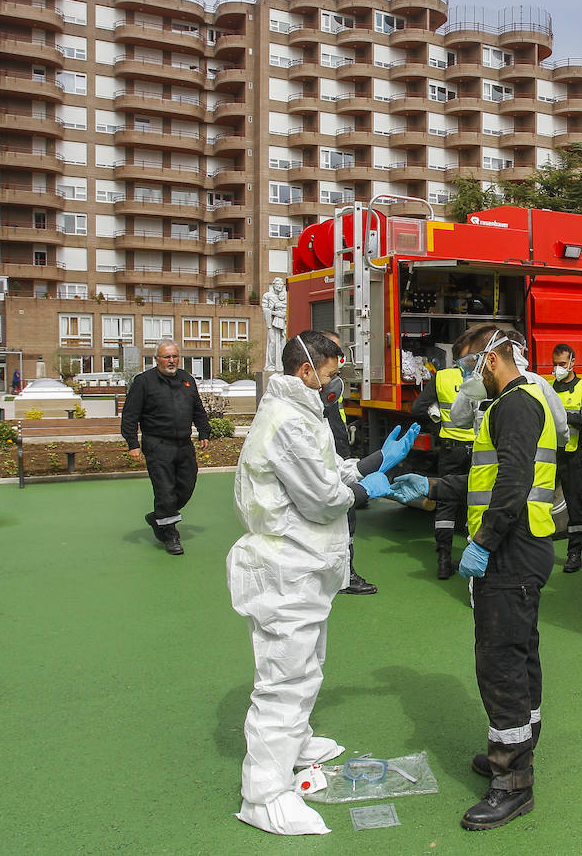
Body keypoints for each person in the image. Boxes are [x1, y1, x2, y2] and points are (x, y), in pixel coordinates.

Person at [227, 329, 416, 836]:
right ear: (307, 370)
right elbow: (323, 498)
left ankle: (297, 740)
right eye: (331, 375)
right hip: (286, 569)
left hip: (302, 570)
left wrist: (375, 463)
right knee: (283, 682)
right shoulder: (289, 420)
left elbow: (330, 472)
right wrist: (364, 491)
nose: (335, 385)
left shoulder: (301, 414)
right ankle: (264, 795)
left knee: (306, 665)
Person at [392, 326, 556, 831]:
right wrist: (434, 484)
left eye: (467, 367)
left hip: (511, 551)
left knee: (501, 663)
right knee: (518, 655)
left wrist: (482, 543)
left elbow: (512, 484)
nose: (465, 377)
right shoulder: (517, 402)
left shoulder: (514, 405)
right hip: (523, 546)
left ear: (490, 360)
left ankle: (512, 783)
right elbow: (488, 477)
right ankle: (518, 749)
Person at [121, 339, 210, 555]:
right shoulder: (144, 382)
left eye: (174, 356)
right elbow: (130, 415)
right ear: (157, 360)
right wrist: (133, 444)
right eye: (166, 357)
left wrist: (204, 431)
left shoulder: (187, 380)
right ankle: (171, 535)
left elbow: (197, 408)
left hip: (184, 445)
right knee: (165, 492)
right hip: (157, 444)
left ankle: (158, 517)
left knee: (186, 486)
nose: (171, 361)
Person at [411, 327, 483, 579]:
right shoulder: (484, 377)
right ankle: (477, 558)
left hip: (451, 451)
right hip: (478, 452)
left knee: (446, 503)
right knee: (478, 501)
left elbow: (418, 408)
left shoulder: (441, 377)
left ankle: (444, 559)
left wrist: (437, 421)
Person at [322, 331, 375, 595]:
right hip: (330, 461)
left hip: (338, 455)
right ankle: (345, 576)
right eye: (335, 351)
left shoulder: (330, 386)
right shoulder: (318, 394)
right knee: (344, 516)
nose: (340, 358)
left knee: (346, 517)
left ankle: (343, 572)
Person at [550, 343, 582, 573]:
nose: (558, 368)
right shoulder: (550, 388)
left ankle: (574, 552)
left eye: (562, 364)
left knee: (575, 506)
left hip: (573, 456)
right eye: (555, 364)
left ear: (572, 363)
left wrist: (563, 415)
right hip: (550, 457)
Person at [261, 277, 287, 372]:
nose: (279, 286)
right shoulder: (267, 295)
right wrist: (274, 313)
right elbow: (265, 309)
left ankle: (281, 364)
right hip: (272, 324)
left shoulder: (285, 296)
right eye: (277, 285)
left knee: (283, 343)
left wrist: (283, 314)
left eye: (281, 285)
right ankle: (271, 364)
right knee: (272, 343)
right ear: (273, 285)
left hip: (283, 323)